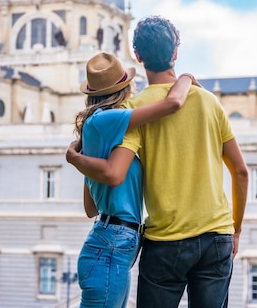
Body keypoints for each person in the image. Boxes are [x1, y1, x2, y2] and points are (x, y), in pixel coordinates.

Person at [67, 16, 249, 308]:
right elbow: (240, 171)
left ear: (138, 58)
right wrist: (236, 230)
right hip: (217, 237)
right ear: (175, 53)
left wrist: (78, 158)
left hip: (166, 241)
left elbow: (112, 172)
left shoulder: (135, 109)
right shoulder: (209, 102)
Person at [71, 51, 198, 308]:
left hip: (109, 242)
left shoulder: (94, 129)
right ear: (125, 88)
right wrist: (186, 77)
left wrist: (79, 161)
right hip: (112, 244)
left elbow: (90, 207)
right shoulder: (107, 119)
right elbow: (173, 104)